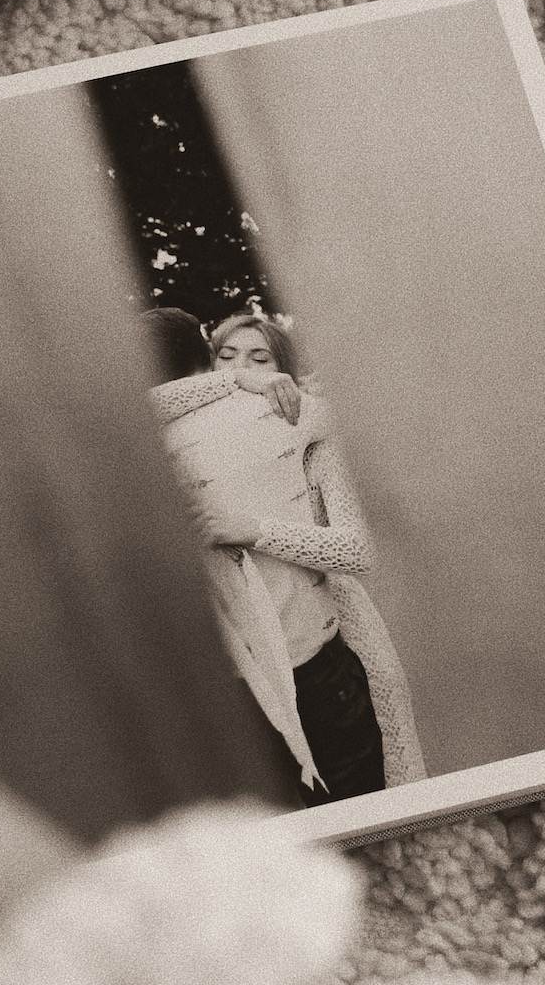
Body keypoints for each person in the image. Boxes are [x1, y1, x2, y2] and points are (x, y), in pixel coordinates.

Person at [142, 308, 426, 807]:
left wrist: (254, 530)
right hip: (246, 682)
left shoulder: (295, 418)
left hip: (317, 653)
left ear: (282, 368)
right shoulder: (173, 440)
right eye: (227, 359)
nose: (241, 370)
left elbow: (359, 548)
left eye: (258, 359)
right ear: (209, 365)